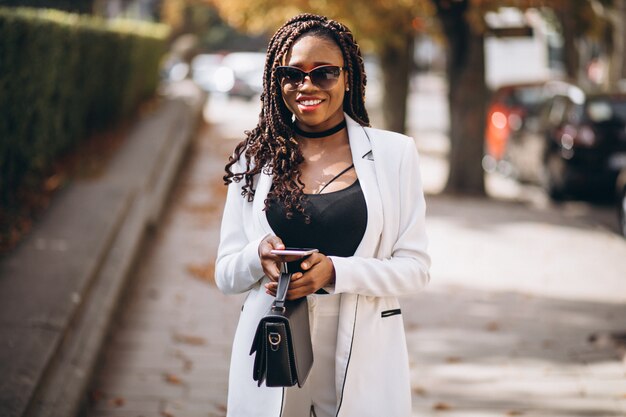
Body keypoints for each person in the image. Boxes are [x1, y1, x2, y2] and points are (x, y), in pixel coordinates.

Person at [215, 13, 430, 417]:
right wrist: (256, 255)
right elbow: (225, 274)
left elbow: (415, 268)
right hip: (273, 349)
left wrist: (334, 272)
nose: (307, 85)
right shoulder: (254, 160)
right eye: (292, 74)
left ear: (348, 77)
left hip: (363, 350)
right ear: (277, 82)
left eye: (324, 73)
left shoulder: (395, 155)